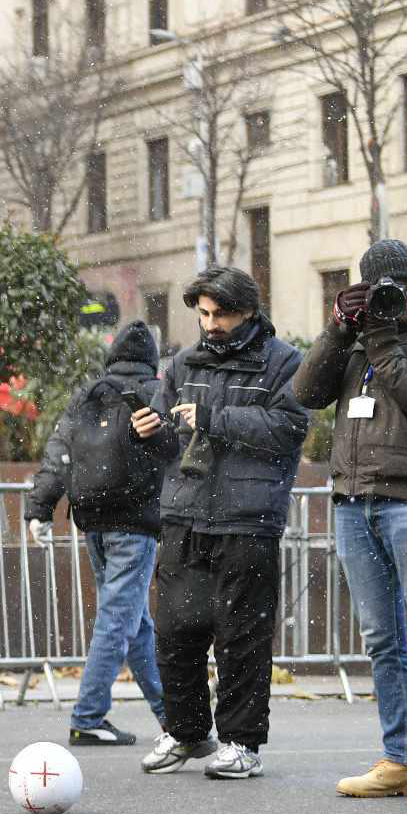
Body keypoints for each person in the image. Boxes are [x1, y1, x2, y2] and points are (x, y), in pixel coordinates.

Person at [294, 240, 407, 808]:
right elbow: (305, 393)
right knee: (382, 641)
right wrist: (340, 329)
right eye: (385, 294)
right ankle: (401, 760)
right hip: (353, 501)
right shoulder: (362, 334)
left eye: (406, 291)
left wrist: (387, 344)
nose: (399, 302)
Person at [130, 265, 307, 780]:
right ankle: (186, 732)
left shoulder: (283, 362)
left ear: (250, 310)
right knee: (175, 631)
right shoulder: (183, 363)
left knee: (241, 636)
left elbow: (289, 429)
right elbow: (169, 440)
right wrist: (148, 431)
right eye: (204, 313)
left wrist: (211, 417)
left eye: (222, 313)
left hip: (249, 520)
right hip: (185, 514)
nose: (211, 323)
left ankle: (241, 743)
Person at [23, 321, 167, 747]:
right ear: (151, 360)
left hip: (92, 519)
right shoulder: (154, 394)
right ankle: (88, 716)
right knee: (118, 619)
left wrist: (39, 509)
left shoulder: (88, 397)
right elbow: (174, 451)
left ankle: (173, 716)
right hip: (135, 521)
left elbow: (58, 455)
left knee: (133, 620)